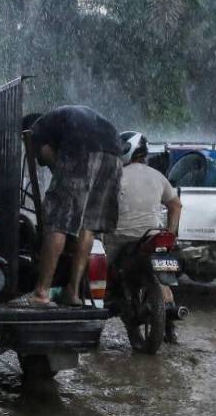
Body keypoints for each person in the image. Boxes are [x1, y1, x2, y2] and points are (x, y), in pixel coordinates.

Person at [10, 105, 122, 307]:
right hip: (114, 153)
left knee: (57, 221)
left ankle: (41, 293)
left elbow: (50, 159)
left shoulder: (35, 129)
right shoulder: (61, 120)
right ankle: (72, 291)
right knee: (88, 224)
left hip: (82, 149)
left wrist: (63, 186)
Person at [105, 131, 183, 342]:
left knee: (102, 272)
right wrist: (170, 233)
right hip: (154, 238)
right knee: (164, 275)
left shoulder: (115, 176)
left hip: (121, 238)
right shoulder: (158, 175)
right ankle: (171, 327)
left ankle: (104, 304)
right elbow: (175, 205)